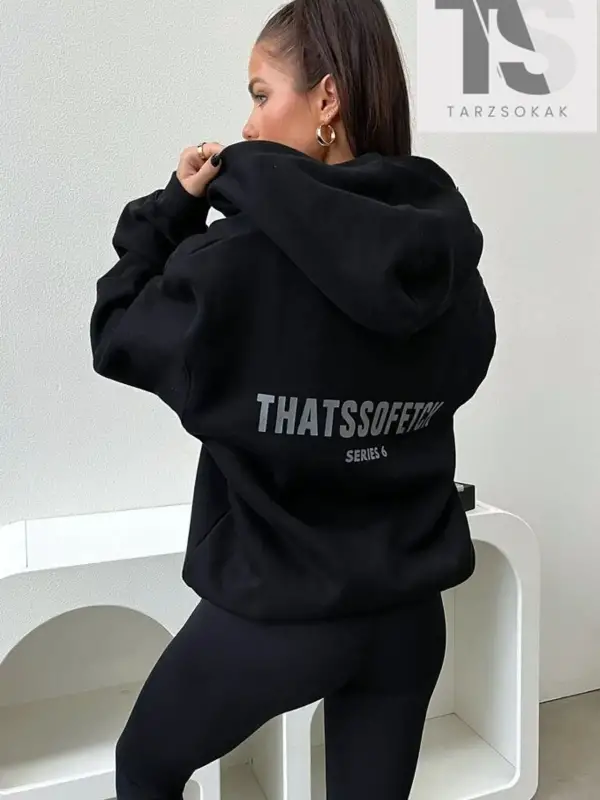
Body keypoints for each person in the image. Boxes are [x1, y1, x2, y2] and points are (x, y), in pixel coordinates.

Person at [89, 0, 496, 797]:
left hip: (280, 616)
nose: (248, 125)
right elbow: (464, 369)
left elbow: (117, 330)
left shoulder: (234, 263)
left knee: (144, 764)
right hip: (410, 617)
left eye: (261, 93)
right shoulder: (444, 261)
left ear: (326, 99)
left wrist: (171, 212)